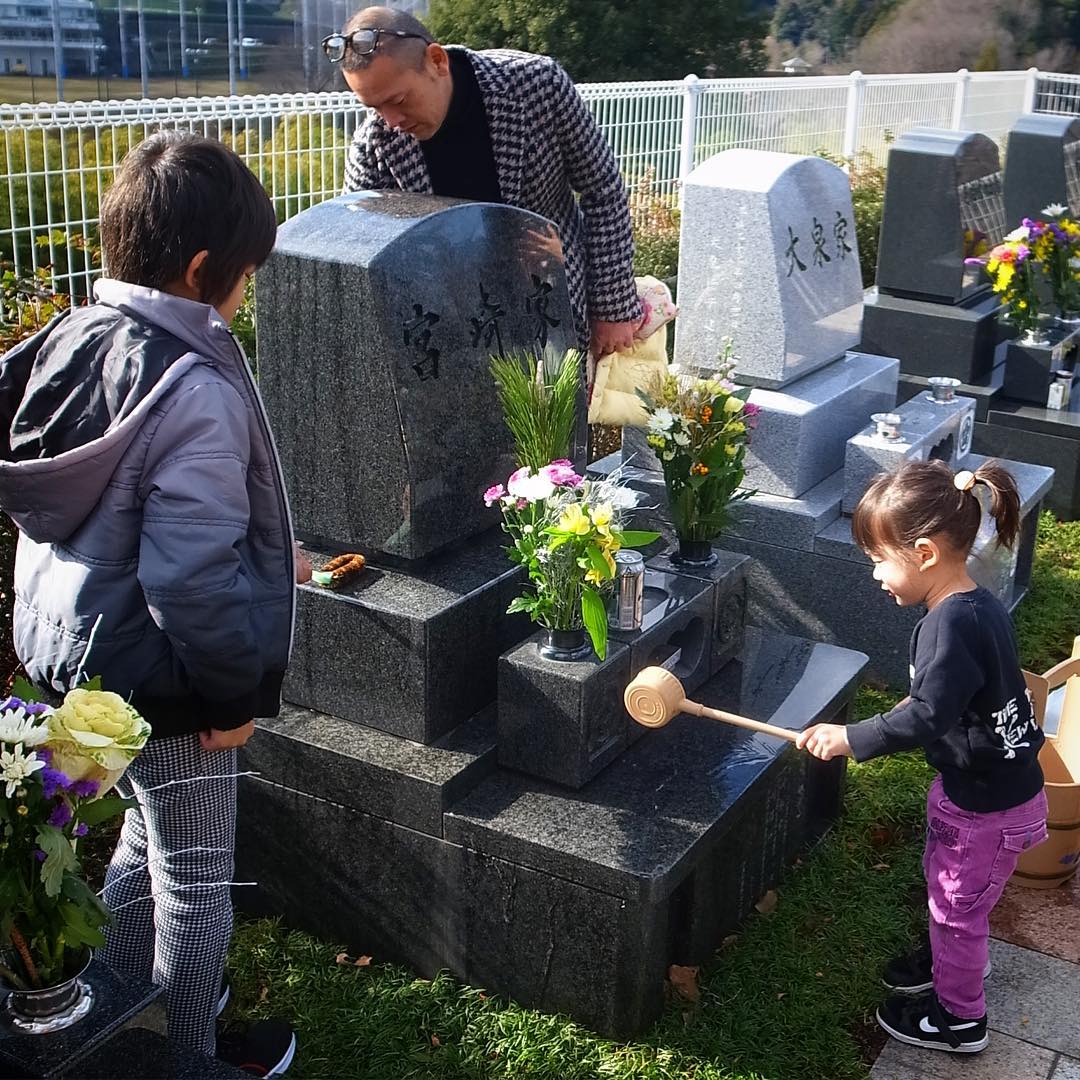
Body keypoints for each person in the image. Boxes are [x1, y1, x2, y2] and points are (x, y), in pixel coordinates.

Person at [0, 132, 304, 1075]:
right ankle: (189, 1059)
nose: (245, 294)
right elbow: (187, 579)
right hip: (167, 678)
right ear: (206, 269)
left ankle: (121, 1016)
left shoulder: (67, 339)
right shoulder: (196, 386)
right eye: (246, 274)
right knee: (197, 877)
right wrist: (229, 700)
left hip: (69, 652)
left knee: (142, 828)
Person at [797, 460, 1048, 1056]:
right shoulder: (975, 605)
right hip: (990, 787)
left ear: (926, 553)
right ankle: (954, 960)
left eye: (880, 560)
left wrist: (851, 738)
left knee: (956, 905)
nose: (876, 576)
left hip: (986, 807)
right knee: (954, 896)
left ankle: (960, 1018)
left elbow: (928, 715)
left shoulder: (950, 624)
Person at [329, 6, 642, 358]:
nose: (391, 121)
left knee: (561, 412)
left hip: (551, 302)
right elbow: (359, 254)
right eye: (374, 108)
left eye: (398, 100)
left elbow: (603, 188)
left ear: (436, 61)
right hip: (452, 332)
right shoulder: (374, 144)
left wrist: (611, 308)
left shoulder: (537, 85)